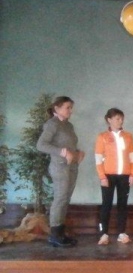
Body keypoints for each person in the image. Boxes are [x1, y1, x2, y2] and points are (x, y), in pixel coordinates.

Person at [36, 96, 85, 247]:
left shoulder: (68, 125)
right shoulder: (52, 124)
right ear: (57, 108)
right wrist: (63, 152)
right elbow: (41, 145)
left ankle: (61, 233)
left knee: (65, 199)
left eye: (71, 108)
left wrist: (78, 153)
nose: (70, 111)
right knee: (60, 199)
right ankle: (55, 235)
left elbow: (69, 145)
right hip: (59, 167)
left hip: (72, 166)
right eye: (67, 107)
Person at [94, 108, 133, 245]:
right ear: (109, 120)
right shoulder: (102, 137)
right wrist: (102, 176)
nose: (120, 121)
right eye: (117, 118)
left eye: (121, 118)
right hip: (108, 176)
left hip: (124, 175)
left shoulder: (128, 136)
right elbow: (98, 159)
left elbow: (132, 158)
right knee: (106, 204)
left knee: (122, 204)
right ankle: (103, 234)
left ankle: (121, 233)